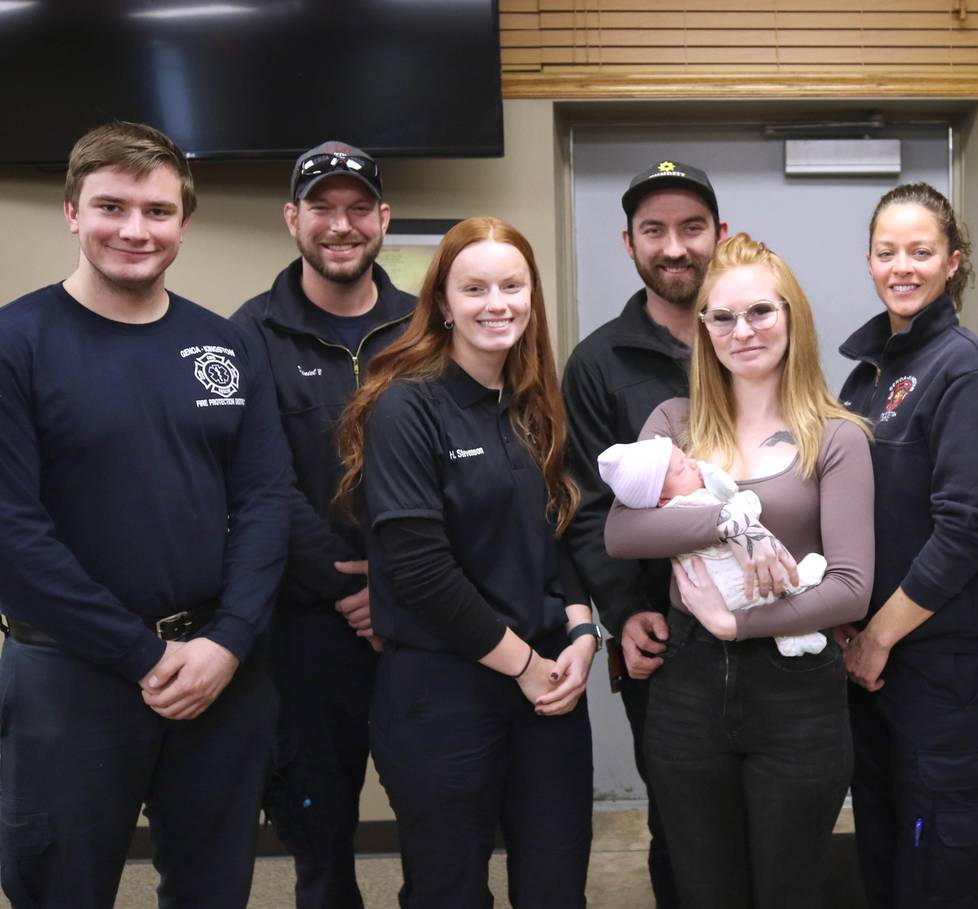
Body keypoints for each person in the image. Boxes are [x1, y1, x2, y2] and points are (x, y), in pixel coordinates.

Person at [0, 121, 290, 908]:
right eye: (111, 206)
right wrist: (139, 653)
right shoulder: (16, 343)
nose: (135, 229)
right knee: (58, 886)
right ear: (71, 211)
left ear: (183, 223)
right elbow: (12, 533)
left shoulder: (223, 346)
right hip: (71, 676)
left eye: (157, 211)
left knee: (213, 888)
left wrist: (228, 640)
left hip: (217, 675)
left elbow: (265, 500)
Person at [334, 216, 597, 908]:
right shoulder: (406, 406)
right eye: (474, 287)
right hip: (443, 692)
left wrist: (581, 630)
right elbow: (420, 570)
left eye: (512, 285)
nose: (496, 302)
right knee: (448, 890)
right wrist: (526, 664)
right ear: (443, 303)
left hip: (549, 691)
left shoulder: (535, 406)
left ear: (532, 296)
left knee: (556, 887)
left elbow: (555, 530)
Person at [605, 232, 875, 909]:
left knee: (790, 890)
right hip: (688, 697)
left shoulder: (836, 436)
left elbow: (850, 586)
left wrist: (738, 621)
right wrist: (732, 521)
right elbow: (622, 530)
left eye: (760, 311)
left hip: (798, 703)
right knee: (704, 891)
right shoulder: (674, 423)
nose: (742, 330)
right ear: (703, 331)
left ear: (792, 317)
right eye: (721, 317)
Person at [231, 140, 415, 909]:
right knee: (321, 844)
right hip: (306, 633)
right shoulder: (250, 332)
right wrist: (347, 587)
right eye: (321, 208)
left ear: (382, 218)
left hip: (423, 621)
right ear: (292, 219)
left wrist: (397, 587)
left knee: (442, 822)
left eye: (356, 208)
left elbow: (458, 474)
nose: (340, 225)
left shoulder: (426, 328)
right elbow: (257, 481)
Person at [836, 182, 978, 908]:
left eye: (921, 251)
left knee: (936, 870)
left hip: (947, 670)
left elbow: (971, 526)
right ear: (869, 260)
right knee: (885, 860)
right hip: (876, 668)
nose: (902, 266)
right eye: (887, 251)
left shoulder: (968, 371)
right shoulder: (867, 374)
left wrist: (877, 636)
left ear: (954, 261)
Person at [561, 158, 728, 907]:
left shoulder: (757, 334)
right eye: (654, 230)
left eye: (692, 228)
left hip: (769, 627)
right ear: (628, 243)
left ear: (720, 237)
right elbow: (589, 506)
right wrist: (626, 611)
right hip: (662, 640)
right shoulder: (598, 362)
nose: (675, 246)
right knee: (686, 824)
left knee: (773, 812)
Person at [596, 434, 829, 656]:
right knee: (769, 579)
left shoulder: (669, 518)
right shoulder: (691, 503)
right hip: (733, 586)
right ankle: (796, 592)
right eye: (682, 468)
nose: (694, 464)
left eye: (687, 458)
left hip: (719, 596)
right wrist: (739, 505)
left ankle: (790, 634)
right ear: (663, 499)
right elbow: (745, 508)